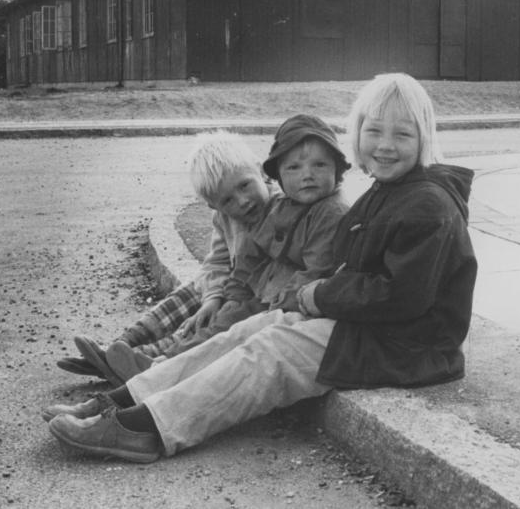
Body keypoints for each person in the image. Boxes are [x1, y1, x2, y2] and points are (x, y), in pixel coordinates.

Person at [43, 73, 477, 464]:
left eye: (402, 134)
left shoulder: (428, 206)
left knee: (271, 352)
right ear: (357, 133)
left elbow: (402, 297)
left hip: (410, 346)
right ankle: (125, 400)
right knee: (250, 329)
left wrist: (319, 295)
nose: (385, 145)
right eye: (374, 130)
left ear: (425, 138)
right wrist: (314, 298)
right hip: (378, 331)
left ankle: (149, 429)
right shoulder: (390, 190)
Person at [104, 114, 351, 381]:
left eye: (319, 165)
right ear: (279, 173)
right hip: (261, 294)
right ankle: (143, 352)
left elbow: (315, 271)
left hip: (285, 304)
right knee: (211, 311)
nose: (308, 176)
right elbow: (246, 260)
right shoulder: (283, 207)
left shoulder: (329, 213)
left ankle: (161, 364)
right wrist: (229, 297)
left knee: (228, 333)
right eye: (294, 169)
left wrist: (266, 305)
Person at [58, 130, 276, 385]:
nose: (242, 201)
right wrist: (212, 296)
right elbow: (217, 262)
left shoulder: (280, 210)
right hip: (231, 286)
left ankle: (149, 361)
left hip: (252, 298)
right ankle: (123, 346)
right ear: (214, 206)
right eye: (227, 200)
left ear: (261, 172)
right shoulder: (224, 218)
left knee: (204, 324)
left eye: (245, 185)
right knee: (193, 291)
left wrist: (221, 299)